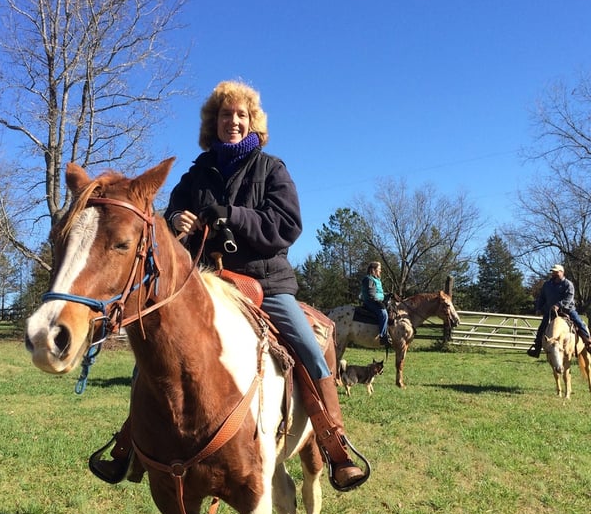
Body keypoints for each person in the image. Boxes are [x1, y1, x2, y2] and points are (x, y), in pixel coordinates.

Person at [89, 80, 369, 491]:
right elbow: (168, 229)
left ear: (252, 121)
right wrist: (176, 224)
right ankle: (130, 443)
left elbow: (286, 226)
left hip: (263, 282)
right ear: (213, 123)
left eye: (241, 115)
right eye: (225, 115)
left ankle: (335, 443)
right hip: (203, 283)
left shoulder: (271, 169)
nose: (233, 121)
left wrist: (232, 215)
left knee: (309, 347)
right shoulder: (195, 173)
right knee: (152, 355)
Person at [527, 263, 591, 358]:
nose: (554, 274)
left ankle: (588, 343)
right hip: (550, 311)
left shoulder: (568, 284)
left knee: (579, 323)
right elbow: (542, 298)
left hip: (567, 310)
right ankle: (537, 347)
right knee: (541, 328)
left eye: (556, 272)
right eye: (553, 272)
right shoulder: (547, 285)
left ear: (562, 272)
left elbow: (569, 298)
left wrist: (558, 305)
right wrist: (539, 308)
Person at [361, 261, 390, 345]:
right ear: (374, 270)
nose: (380, 271)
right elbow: (371, 294)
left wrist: (387, 295)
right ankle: (382, 336)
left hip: (377, 300)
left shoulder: (377, 279)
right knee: (383, 314)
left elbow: (379, 292)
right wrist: (378, 301)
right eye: (379, 269)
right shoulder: (369, 279)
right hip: (371, 302)